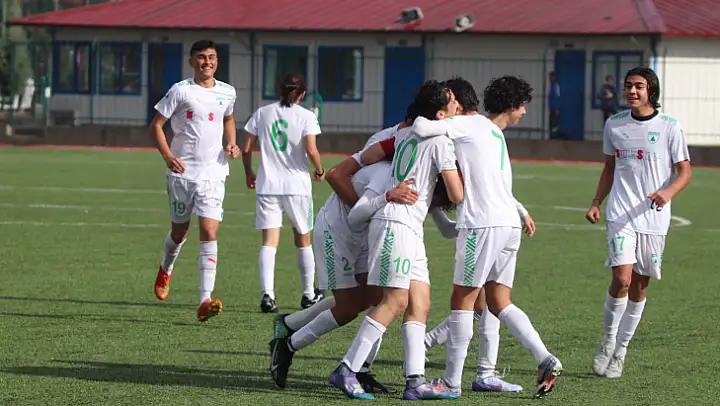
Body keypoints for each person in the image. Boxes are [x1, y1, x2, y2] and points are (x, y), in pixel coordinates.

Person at [411, 76, 562, 399]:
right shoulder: (493, 133)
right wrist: (521, 211)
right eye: (523, 106)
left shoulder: (468, 124)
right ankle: (544, 358)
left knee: (462, 301)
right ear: (513, 105)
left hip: (482, 226)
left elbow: (421, 128)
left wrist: (419, 115)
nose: (524, 112)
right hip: (508, 227)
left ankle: (451, 382)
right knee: (498, 302)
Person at [329, 80, 464, 401]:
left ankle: (415, 381)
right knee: (395, 301)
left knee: (421, 303)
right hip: (396, 223)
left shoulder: (403, 134)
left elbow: (370, 154)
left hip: (409, 226)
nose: (458, 107)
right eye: (453, 103)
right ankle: (347, 369)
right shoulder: (441, 142)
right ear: (440, 113)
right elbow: (457, 194)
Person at [586, 66, 691, 378]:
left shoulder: (670, 126)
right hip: (620, 212)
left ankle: (621, 350)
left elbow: (685, 170)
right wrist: (596, 202)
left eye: (639, 86)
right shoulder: (614, 124)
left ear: (651, 91)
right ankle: (607, 341)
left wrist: (667, 193)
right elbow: (609, 167)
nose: (632, 91)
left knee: (640, 284)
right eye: (628, 85)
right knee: (622, 279)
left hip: (654, 217)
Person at [150, 39, 238, 323]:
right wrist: (168, 156)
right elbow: (156, 125)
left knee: (209, 231)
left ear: (217, 61)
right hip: (183, 174)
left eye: (211, 57)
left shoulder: (227, 92)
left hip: (214, 173)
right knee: (180, 232)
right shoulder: (181, 90)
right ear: (192, 61)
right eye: (201, 57)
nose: (207, 62)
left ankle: (204, 300)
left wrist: (231, 143)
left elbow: (228, 119)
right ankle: (166, 268)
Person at [241, 72, 325, 314]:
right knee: (303, 240)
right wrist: (320, 170)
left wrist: (249, 172)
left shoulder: (262, 113)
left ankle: (267, 295)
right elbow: (311, 149)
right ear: (302, 94)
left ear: (279, 90)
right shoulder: (306, 116)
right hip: (297, 187)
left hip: (268, 185)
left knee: (269, 242)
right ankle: (308, 295)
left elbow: (246, 148)